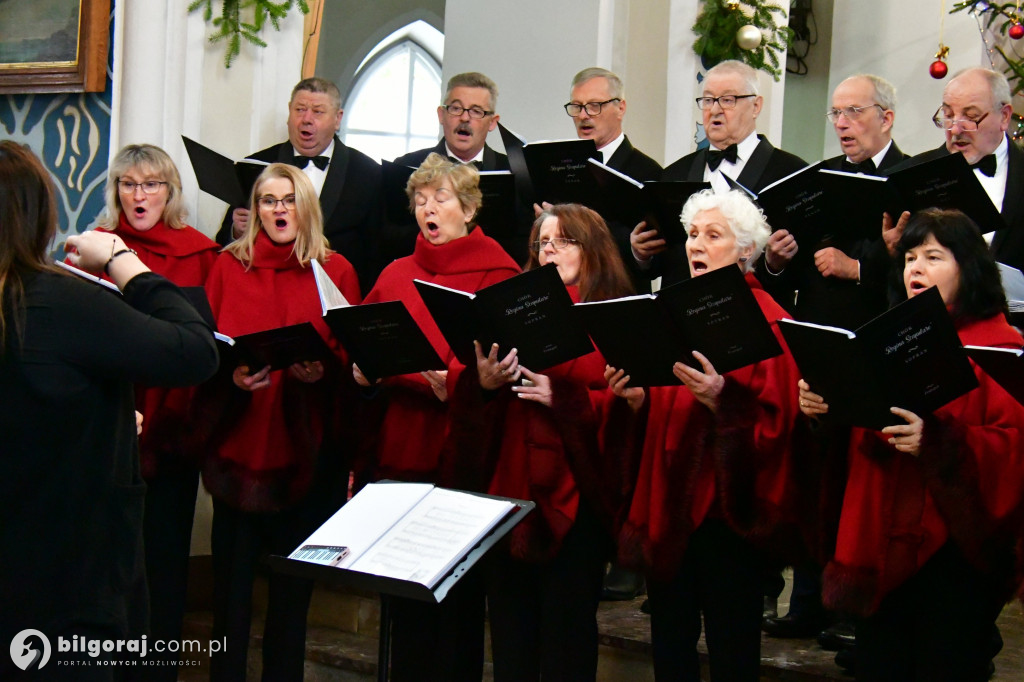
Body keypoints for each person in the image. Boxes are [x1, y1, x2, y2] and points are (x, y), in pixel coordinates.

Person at [0, 141, 218, 678]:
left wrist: (103, 418)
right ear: (38, 216)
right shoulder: (62, 300)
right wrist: (126, 264)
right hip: (65, 568)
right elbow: (194, 349)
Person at [798, 208, 1024, 681]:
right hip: (882, 546)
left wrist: (938, 443)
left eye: (933, 257)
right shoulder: (887, 337)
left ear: (969, 268)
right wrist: (825, 411)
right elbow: (863, 431)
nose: (915, 268)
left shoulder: (999, 343)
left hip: (956, 557)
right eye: (910, 258)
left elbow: (1014, 448)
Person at [606, 189, 801, 680]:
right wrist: (637, 401)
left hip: (728, 516)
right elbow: (664, 408)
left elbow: (783, 423)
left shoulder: (773, 320)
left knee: (732, 647)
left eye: (713, 235)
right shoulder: (672, 311)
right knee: (669, 641)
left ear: (744, 251)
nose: (696, 244)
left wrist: (724, 401)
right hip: (669, 504)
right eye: (693, 234)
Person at [442, 203, 634, 680]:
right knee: (512, 642)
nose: (550, 250)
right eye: (543, 242)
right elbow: (466, 388)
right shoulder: (509, 309)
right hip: (509, 497)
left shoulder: (615, 314)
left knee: (566, 644)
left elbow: (631, 407)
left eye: (564, 240)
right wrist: (481, 382)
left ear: (592, 250)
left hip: (578, 499)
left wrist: (566, 399)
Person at [353, 152, 519, 680]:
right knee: (406, 606)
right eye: (420, 200)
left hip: (464, 457)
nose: (429, 208)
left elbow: (504, 365)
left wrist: (461, 384)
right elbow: (369, 340)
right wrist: (364, 371)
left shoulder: (501, 272)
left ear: (468, 209)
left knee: (457, 605)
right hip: (401, 450)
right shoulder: (396, 272)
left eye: (441, 198)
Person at [761, 75, 910, 648]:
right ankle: (808, 603)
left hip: (878, 343)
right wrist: (778, 260)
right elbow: (794, 274)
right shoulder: (818, 179)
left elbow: (930, 270)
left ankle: (856, 610)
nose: (842, 123)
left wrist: (864, 268)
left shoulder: (911, 178)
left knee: (863, 479)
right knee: (815, 471)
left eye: (853, 112)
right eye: (836, 113)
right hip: (819, 338)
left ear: (887, 116)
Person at [197, 163, 362, 681]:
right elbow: (207, 354)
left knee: (291, 605)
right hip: (239, 452)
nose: (278, 210)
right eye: (268, 200)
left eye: (289, 199)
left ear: (306, 207)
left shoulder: (336, 271)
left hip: (306, 457)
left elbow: (354, 361)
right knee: (231, 601)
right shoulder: (227, 266)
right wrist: (232, 380)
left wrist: (321, 373)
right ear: (255, 210)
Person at [91, 143, 220, 679]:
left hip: (172, 430)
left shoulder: (198, 254)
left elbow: (208, 344)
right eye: (128, 183)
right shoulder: (95, 247)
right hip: (105, 428)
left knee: (163, 564)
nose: (139, 195)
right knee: (105, 563)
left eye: (151, 185)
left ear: (170, 193)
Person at [634, 60, 806, 289]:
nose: (715, 110)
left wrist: (774, 266)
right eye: (707, 100)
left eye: (727, 100)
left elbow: (805, 267)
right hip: (683, 308)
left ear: (756, 106)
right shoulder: (675, 173)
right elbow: (665, 260)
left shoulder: (792, 173)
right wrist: (642, 254)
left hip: (753, 311)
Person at [215, 77, 383, 294]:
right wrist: (236, 231)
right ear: (289, 113)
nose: (307, 119)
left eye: (318, 111)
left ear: (338, 118)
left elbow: (377, 250)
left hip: (338, 293)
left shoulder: (367, 173)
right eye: (300, 109)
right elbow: (223, 242)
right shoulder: (254, 167)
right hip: (267, 293)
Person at [891, 67, 1024, 271]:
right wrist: (890, 251)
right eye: (948, 115)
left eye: (970, 117)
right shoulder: (911, 174)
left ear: (1004, 117)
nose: (955, 129)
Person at [388, 72, 522, 262]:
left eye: (476, 111)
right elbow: (388, 236)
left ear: (492, 122)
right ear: (441, 115)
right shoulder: (407, 166)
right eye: (456, 108)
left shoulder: (515, 172)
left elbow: (522, 242)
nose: (465, 118)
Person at [564, 67, 662, 297]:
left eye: (595, 105)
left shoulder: (649, 172)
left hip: (622, 299)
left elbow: (655, 259)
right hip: (569, 299)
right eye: (576, 106)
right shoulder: (561, 165)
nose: (584, 115)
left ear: (620, 108)